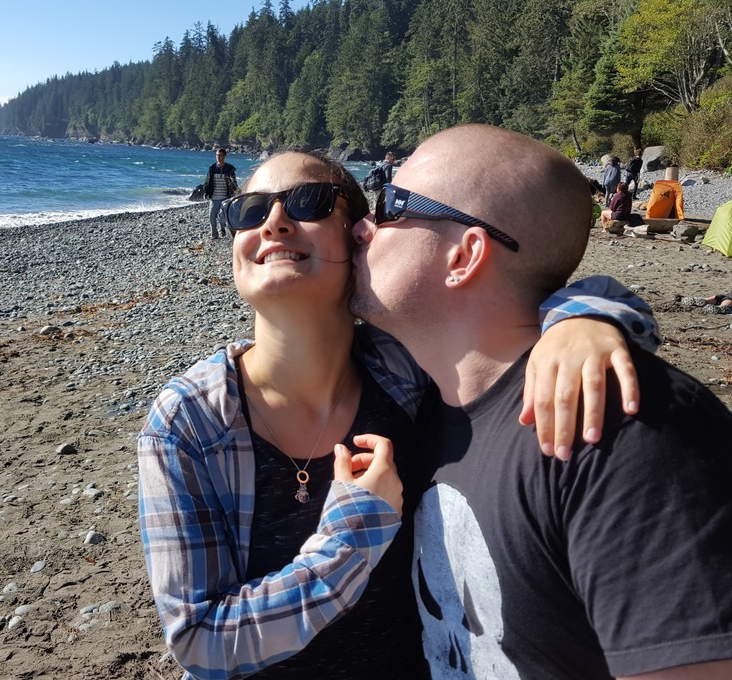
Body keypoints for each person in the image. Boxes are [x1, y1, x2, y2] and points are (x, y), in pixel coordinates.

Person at [138, 149, 656, 679]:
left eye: (307, 202)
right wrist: (352, 537)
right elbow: (200, 642)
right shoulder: (189, 423)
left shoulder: (403, 367)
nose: (274, 222)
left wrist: (580, 320)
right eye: (251, 210)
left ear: (360, 234)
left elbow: (509, 298)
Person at [350, 124, 732, 679]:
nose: (362, 226)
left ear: (464, 256)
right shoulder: (422, 411)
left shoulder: (631, 429)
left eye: (390, 204)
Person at [205, 148, 238, 239]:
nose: (218, 157)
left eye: (220, 155)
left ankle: (222, 228)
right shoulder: (212, 168)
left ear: (224, 156)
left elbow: (233, 183)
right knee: (212, 217)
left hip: (225, 197)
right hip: (214, 197)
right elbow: (208, 181)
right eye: (217, 155)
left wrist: (235, 192)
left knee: (222, 217)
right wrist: (206, 192)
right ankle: (214, 235)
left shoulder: (229, 169)